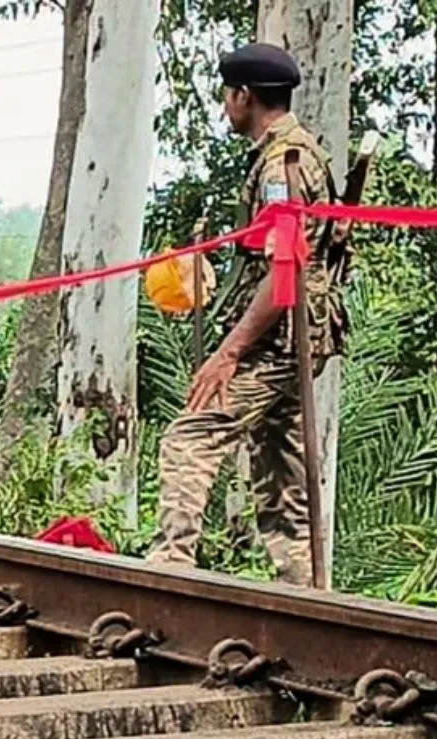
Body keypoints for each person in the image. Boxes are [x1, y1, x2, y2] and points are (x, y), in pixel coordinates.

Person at [148, 42, 345, 587]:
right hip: (295, 336)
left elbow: (285, 278)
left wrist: (228, 352)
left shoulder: (284, 165)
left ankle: (170, 563)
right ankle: (306, 590)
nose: (224, 108)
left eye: (227, 97)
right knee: (280, 470)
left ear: (244, 95)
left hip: (280, 339)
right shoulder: (293, 154)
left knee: (191, 433)